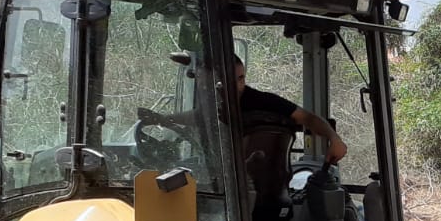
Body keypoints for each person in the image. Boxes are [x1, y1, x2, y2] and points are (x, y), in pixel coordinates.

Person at [138, 54, 347, 164]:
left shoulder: (262, 101)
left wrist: (334, 139)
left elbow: (307, 118)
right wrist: (162, 119)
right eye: (232, 79)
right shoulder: (214, 102)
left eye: (241, 78)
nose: (238, 85)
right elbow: (199, 117)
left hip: (244, 181)